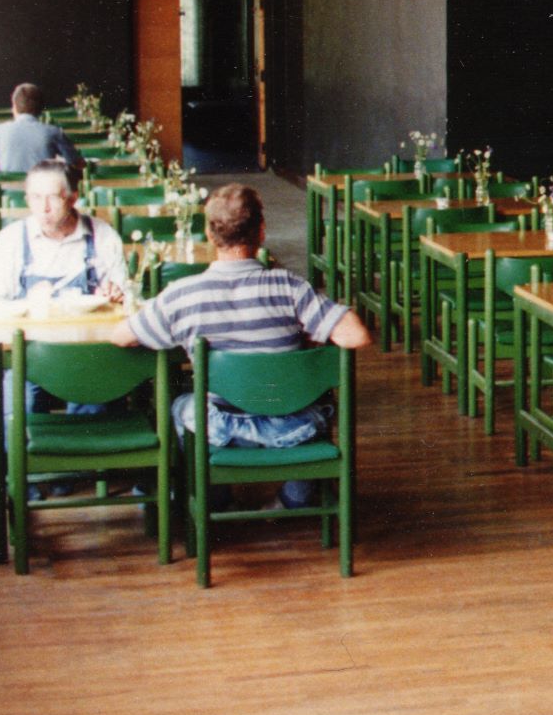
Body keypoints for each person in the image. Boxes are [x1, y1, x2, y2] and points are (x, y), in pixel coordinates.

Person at [113, 183, 370, 509]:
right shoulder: (291, 287)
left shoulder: (182, 294)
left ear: (209, 234)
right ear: (261, 232)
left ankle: (215, 499)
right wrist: (310, 341)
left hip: (219, 429)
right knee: (317, 398)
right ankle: (295, 497)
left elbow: (122, 336)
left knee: (177, 406)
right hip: (289, 428)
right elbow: (357, 336)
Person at [0, 159, 130, 455]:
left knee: (95, 399)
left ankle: (79, 465)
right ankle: (25, 470)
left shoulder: (102, 236)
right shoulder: (11, 241)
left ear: (72, 197)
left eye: (53, 198)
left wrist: (117, 295)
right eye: (35, 197)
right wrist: (22, 309)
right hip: (30, 357)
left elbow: (128, 301)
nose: (43, 208)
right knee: (17, 405)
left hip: (89, 355)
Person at [0, 83, 80, 174]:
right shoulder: (54, 132)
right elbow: (78, 164)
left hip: (9, 191)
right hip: (44, 189)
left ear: (14, 107)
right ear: (41, 109)